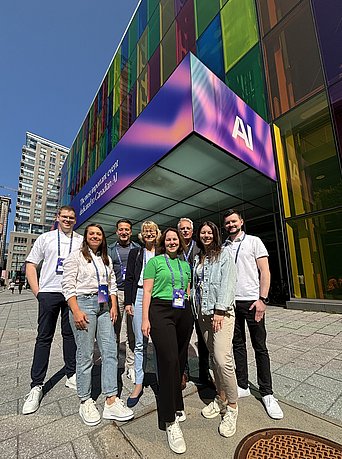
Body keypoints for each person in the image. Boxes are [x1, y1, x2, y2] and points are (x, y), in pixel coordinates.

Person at [62, 223, 134, 426]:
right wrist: (76, 310)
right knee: (85, 355)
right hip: (83, 304)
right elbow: (67, 286)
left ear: (103, 238)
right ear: (86, 237)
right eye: (91, 234)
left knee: (110, 351)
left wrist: (113, 305)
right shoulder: (76, 257)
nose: (95, 236)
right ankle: (85, 400)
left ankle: (111, 400)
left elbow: (111, 284)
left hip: (103, 306)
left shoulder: (106, 259)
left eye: (98, 234)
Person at [223, 209, 283, 420]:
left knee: (260, 347)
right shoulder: (224, 247)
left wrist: (262, 299)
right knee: (237, 346)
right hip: (232, 304)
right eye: (227, 223)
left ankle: (267, 392)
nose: (231, 225)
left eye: (233, 221)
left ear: (241, 221)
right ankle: (243, 384)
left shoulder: (254, 241)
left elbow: (264, 271)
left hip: (252, 302)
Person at [22, 206, 83, 415]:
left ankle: (72, 373)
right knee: (44, 338)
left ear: (75, 220)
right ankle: (36, 385)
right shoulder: (45, 238)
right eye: (64, 217)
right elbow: (30, 264)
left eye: (71, 218)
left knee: (70, 335)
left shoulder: (81, 240)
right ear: (57, 218)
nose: (67, 220)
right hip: (49, 292)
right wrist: (38, 293)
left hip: (71, 294)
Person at [142, 228, 193, 454]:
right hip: (161, 311)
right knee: (169, 360)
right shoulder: (155, 262)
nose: (172, 242)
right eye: (169, 239)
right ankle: (169, 419)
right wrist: (145, 318)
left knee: (180, 360)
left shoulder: (185, 264)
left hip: (182, 311)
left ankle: (178, 403)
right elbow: (147, 292)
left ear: (180, 242)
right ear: (164, 242)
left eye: (176, 239)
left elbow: (188, 288)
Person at [192, 221, 238, 438]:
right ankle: (221, 398)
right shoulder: (199, 258)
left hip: (221, 314)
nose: (206, 235)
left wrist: (219, 310)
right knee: (213, 358)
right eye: (203, 233)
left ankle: (232, 408)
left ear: (215, 234)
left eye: (210, 232)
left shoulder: (225, 254)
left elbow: (229, 283)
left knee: (222, 359)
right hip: (203, 315)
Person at [124, 220, 160, 407]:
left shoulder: (162, 251)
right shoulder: (135, 252)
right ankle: (139, 382)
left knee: (160, 341)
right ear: (141, 234)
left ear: (157, 232)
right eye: (146, 231)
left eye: (152, 230)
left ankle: (162, 380)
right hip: (138, 295)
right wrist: (128, 302)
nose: (149, 234)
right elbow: (129, 277)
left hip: (158, 295)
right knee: (140, 342)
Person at [178, 217, 210, 387]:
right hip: (180, 298)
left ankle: (205, 373)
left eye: (187, 228)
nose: (185, 231)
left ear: (192, 230)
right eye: (182, 228)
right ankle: (183, 373)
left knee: (203, 338)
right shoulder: (175, 246)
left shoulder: (200, 246)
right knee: (182, 338)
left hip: (199, 297)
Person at [108, 219, 140, 382]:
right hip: (115, 294)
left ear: (131, 231)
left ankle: (131, 366)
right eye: (121, 229)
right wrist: (103, 299)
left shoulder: (138, 249)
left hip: (132, 295)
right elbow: (104, 274)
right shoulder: (110, 249)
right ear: (116, 231)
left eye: (127, 229)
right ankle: (112, 365)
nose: (124, 232)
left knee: (131, 333)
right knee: (113, 332)